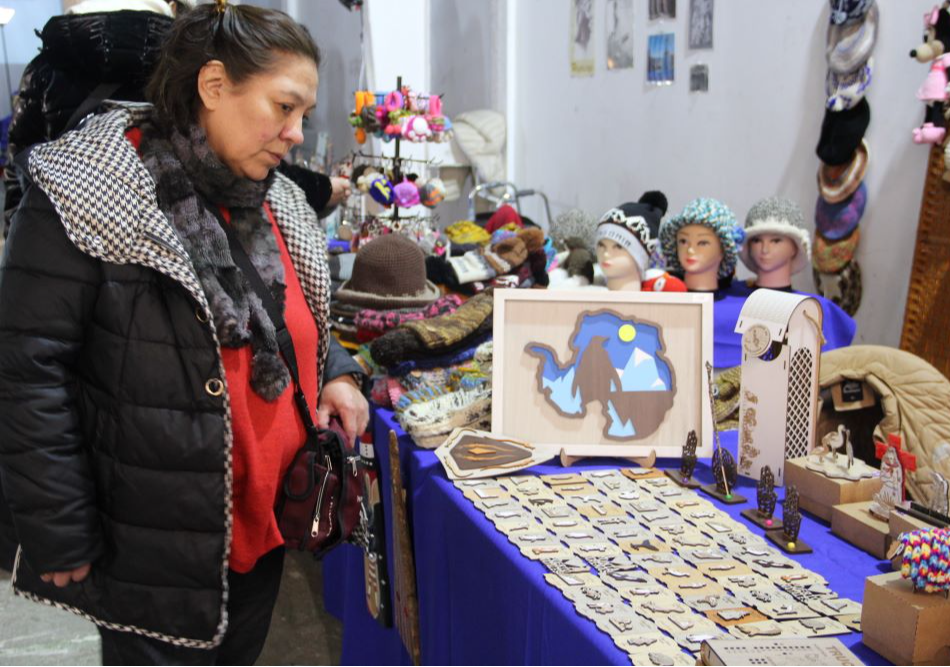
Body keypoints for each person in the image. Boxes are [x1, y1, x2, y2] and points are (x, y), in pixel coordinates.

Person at [0, 2, 368, 664]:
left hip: (264, 527)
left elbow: (292, 312)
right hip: (154, 537)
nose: (295, 133)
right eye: (283, 107)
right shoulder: (87, 191)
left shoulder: (274, 198)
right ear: (214, 86)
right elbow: (27, 371)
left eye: (304, 114)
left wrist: (336, 368)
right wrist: (58, 528)